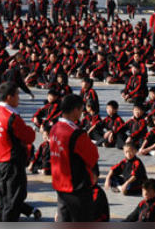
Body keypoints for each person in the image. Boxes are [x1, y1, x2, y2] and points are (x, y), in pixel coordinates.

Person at [49, 94, 100, 222]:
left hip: (60, 183)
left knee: (63, 218)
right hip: (76, 186)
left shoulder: (54, 128)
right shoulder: (76, 133)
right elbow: (93, 156)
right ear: (75, 110)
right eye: (81, 109)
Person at [0, 82, 36, 222]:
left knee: (1, 201)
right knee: (13, 201)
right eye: (17, 95)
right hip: (12, 164)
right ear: (9, 97)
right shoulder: (11, 117)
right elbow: (29, 137)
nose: (18, 98)